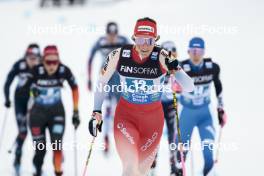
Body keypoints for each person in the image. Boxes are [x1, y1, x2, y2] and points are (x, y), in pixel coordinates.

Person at [88, 17, 194, 176]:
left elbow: (189, 87)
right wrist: (96, 112)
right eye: (140, 39)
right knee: (130, 168)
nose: (145, 45)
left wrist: (176, 69)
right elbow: (102, 82)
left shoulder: (162, 56)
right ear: (134, 38)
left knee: (140, 172)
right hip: (126, 118)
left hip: (153, 123)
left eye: (150, 41)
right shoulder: (119, 55)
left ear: (156, 40)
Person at [175, 37, 227, 176]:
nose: (196, 54)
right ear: (188, 51)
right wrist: (174, 85)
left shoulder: (212, 68)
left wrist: (220, 109)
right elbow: (171, 84)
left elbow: (218, 86)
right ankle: (178, 172)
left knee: (208, 152)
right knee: (180, 152)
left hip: (205, 115)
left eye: (199, 51)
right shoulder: (181, 68)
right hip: (187, 114)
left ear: (204, 52)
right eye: (193, 50)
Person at [26, 45, 80, 176]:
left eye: (55, 62)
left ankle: (58, 171)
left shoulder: (63, 70)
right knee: (40, 149)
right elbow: (26, 91)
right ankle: (37, 170)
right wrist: (33, 92)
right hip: (37, 114)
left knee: (57, 145)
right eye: (48, 62)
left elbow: (75, 88)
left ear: (59, 60)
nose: (52, 65)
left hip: (56, 113)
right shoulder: (36, 71)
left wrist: (76, 111)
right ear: (43, 60)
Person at [87, 21, 129, 154]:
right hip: (105, 76)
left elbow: (135, 56)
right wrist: (89, 78)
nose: (112, 37)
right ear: (106, 33)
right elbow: (90, 58)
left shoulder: (123, 41)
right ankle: (105, 137)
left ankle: (123, 136)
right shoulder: (100, 42)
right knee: (108, 107)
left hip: (118, 76)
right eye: (110, 34)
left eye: (114, 34)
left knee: (121, 107)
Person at [4, 43, 41, 174]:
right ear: (25, 57)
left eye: (35, 58)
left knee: (36, 132)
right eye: (30, 57)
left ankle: (38, 164)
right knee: (23, 131)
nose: (32, 60)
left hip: (34, 102)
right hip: (20, 101)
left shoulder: (41, 67)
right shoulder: (19, 65)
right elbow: (8, 81)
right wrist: (7, 99)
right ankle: (17, 158)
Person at [150, 41, 180, 176]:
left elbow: (187, 87)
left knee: (173, 135)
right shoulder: (155, 66)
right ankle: (151, 165)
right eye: (168, 54)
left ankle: (174, 166)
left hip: (171, 105)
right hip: (156, 105)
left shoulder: (178, 67)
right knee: (154, 135)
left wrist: (178, 88)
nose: (170, 57)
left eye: (173, 53)